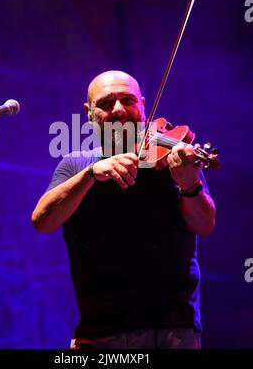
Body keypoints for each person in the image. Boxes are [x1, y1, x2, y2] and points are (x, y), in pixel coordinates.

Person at [32, 70, 216, 349]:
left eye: (127, 100)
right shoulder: (75, 165)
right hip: (100, 332)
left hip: (173, 329)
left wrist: (190, 186)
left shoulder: (174, 161)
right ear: (89, 112)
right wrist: (91, 174)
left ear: (142, 104)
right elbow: (42, 221)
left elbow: (205, 225)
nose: (119, 110)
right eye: (106, 103)